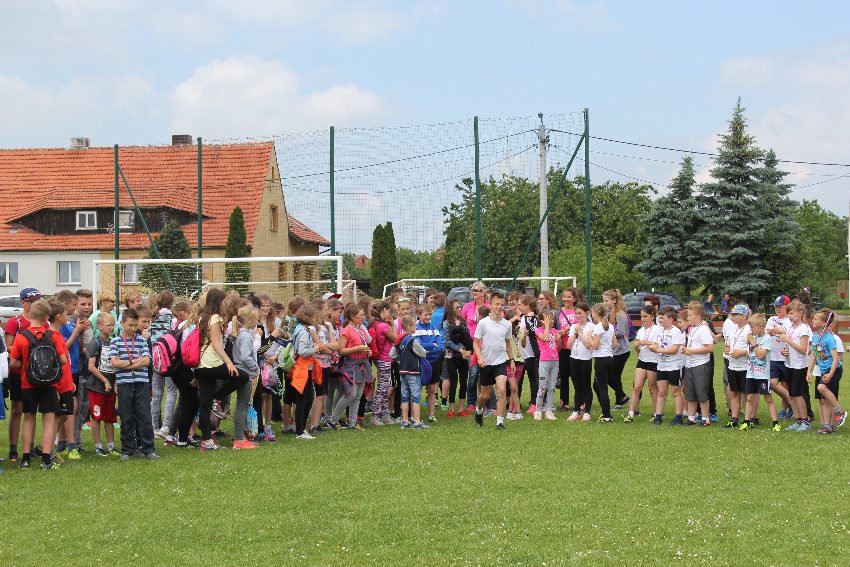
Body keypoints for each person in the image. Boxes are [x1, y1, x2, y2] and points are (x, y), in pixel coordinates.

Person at [9, 299, 65, 470]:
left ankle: (25, 459)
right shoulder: (53, 336)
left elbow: (13, 363)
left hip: (28, 384)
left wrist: (27, 365)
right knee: (48, 420)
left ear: (31, 314)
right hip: (49, 384)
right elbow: (63, 360)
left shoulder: (21, 337)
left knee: (29, 418)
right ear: (47, 317)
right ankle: (46, 459)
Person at [193, 289, 239, 451]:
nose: (226, 303)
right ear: (218, 302)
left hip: (201, 365)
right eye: (224, 301)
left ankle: (206, 441)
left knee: (205, 404)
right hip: (212, 363)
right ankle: (217, 398)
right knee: (243, 377)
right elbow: (216, 343)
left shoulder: (203, 317)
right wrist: (229, 362)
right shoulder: (215, 318)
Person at [109, 308, 158, 461]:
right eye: (130, 325)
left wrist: (125, 364)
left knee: (145, 416)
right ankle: (127, 450)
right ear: (122, 323)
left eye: (135, 325)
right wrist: (135, 361)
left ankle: (148, 449)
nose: (133, 328)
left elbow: (147, 361)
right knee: (126, 417)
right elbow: (114, 363)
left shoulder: (141, 340)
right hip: (124, 384)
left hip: (141, 382)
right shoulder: (115, 341)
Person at [4, 286, 43, 463]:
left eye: (37, 300)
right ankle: (13, 448)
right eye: (31, 301)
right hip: (18, 371)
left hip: (36, 372)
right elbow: (8, 347)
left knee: (31, 411)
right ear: (23, 303)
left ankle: (30, 446)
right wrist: (27, 348)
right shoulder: (16, 322)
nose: (35, 304)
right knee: (17, 410)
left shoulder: (43, 322)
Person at [472, 292, 515, 430]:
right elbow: (475, 343)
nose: (499, 307)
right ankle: (479, 410)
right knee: (485, 395)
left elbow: (508, 343)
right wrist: (480, 357)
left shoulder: (506, 324)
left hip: (500, 362)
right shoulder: (483, 323)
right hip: (486, 363)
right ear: (490, 305)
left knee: (501, 390)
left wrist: (512, 359)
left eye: (502, 304)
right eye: (497, 304)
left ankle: (500, 422)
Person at [328, 303, 372, 430]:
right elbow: (341, 350)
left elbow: (364, 345)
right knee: (350, 394)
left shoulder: (361, 329)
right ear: (352, 316)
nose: (363, 317)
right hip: (351, 366)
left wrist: (367, 352)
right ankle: (333, 420)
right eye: (360, 315)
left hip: (362, 364)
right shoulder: (346, 330)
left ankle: (353, 422)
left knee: (358, 395)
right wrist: (357, 349)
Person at [55, 290, 88, 457]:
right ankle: (70, 444)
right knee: (70, 407)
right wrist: (77, 332)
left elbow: (76, 346)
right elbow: (63, 348)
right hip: (65, 370)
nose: (75, 308)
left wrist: (78, 331)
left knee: (69, 407)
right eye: (74, 304)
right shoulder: (59, 325)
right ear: (64, 305)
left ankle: (63, 443)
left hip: (74, 369)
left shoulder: (68, 322)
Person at [48, 300, 80, 462]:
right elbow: (59, 361)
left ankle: (47, 447)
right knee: (57, 416)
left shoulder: (58, 334)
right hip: (58, 383)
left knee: (64, 414)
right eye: (66, 314)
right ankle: (49, 449)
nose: (69, 317)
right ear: (59, 317)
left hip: (66, 381)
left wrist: (69, 381)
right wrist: (56, 385)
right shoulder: (52, 336)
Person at [739, 313, 780, 431]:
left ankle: (775, 423)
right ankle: (747, 421)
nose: (751, 329)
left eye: (752, 327)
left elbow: (761, 355)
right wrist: (750, 343)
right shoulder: (754, 337)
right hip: (751, 373)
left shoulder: (767, 339)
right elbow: (750, 354)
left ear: (761, 326)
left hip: (762, 374)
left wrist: (753, 343)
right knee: (749, 397)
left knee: (768, 398)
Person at [86, 313, 119, 456]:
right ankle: (98, 446)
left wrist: (114, 382)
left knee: (110, 417)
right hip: (97, 387)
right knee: (96, 416)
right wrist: (104, 380)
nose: (112, 327)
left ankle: (111, 446)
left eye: (113, 325)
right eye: (108, 325)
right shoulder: (95, 342)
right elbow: (91, 366)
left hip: (110, 387)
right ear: (99, 326)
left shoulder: (113, 343)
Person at [289, 304, 323, 440]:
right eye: (314, 317)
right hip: (302, 369)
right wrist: (314, 349)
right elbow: (302, 351)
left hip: (306, 368)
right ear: (308, 317)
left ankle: (301, 428)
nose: (316, 319)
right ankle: (300, 430)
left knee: (308, 398)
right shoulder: (304, 332)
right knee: (303, 400)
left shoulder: (303, 330)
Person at [809, 309, 845, 435]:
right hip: (823, 370)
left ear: (824, 323)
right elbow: (813, 355)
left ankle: (839, 411)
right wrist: (808, 372)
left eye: (816, 319)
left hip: (834, 370)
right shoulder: (814, 337)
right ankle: (826, 426)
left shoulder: (829, 338)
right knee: (823, 399)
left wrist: (830, 374)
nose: (813, 320)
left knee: (821, 387)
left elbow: (836, 359)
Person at [390, 315, 429, 429]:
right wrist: (426, 351)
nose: (415, 327)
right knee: (415, 397)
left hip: (402, 371)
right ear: (408, 327)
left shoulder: (400, 340)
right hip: (413, 371)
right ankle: (417, 421)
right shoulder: (412, 340)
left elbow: (392, 354)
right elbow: (422, 353)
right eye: (414, 325)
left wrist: (401, 359)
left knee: (405, 397)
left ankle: (405, 421)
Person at [648, 306, 685, 426]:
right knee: (662, 391)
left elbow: (674, 349)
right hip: (662, 365)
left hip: (674, 365)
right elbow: (655, 343)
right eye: (659, 317)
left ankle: (678, 417)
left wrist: (658, 350)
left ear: (670, 319)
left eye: (662, 318)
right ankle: (658, 416)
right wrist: (653, 347)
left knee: (676, 391)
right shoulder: (659, 331)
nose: (660, 320)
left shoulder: (675, 331)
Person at [149, 290, 178, 440]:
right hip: (169, 360)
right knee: (172, 392)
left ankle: (153, 427)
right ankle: (166, 426)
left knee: (156, 393)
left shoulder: (152, 318)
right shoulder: (173, 319)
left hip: (155, 359)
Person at [780, 300, 812, 431]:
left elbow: (803, 350)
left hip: (800, 365)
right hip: (790, 364)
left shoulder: (803, 329)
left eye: (792, 313)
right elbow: (791, 346)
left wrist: (788, 341)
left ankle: (805, 421)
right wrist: (785, 351)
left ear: (800, 313)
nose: (789, 316)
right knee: (791, 394)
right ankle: (797, 420)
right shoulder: (791, 327)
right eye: (788, 313)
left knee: (798, 393)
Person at [624, 304, 660, 423]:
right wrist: (637, 347)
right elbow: (639, 350)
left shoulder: (658, 329)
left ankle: (656, 414)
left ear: (652, 317)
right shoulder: (640, 331)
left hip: (653, 361)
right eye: (641, 316)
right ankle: (631, 413)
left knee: (652, 388)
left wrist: (645, 342)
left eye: (645, 316)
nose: (642, 319)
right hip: (642, 360)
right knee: (637, 387)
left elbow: (659, 344)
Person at [231, 305, 260, 449]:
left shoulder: (240, 334)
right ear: (248, 319)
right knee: (242, 406)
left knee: (241, 406)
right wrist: (255, 367)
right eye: (255, 318)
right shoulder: (246, 336)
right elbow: (245, 357)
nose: (257, 321)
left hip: (240, 371)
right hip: (245, 374)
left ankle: (239, 435)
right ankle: (239, 439)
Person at [682, 302, 714, 427]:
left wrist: (692, 351)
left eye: (690, 315)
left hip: (700, 364)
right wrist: (686, 350)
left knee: (701, 393)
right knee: (690, 393)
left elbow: (709, 348)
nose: (688, 318)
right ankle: (691, 418)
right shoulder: (693, 329)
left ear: (698, 316)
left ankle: (706, 419)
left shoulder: (703, 329)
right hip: (690, 364)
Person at [765, 295, 794, 418]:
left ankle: (783, 410)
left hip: (787, 358)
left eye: (780, 306)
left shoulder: (790, 320)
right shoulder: (772, 319)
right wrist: (776, 331)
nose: (777, 309)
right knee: (772, 383)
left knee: (785, 385)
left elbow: (791, 333)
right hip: (773, 357)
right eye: (776, 306)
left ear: (787, 306)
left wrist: (780, 331)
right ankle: (792, 404)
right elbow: (768, 331)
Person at [723, 304, 751, 428]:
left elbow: (756, 349)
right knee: (734, 392)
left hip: (745, 366)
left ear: (744, 316)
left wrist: (742, 352)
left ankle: (748, 419)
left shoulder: (749, 330)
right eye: (732, 314)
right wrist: (728, 349)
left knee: (745, 394)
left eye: (736, 315)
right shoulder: (733, 328)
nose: (732, 317)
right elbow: (730, 344)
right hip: (733, 365)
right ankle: (734, 418)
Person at [462, 282, 488, 411]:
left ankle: (487, 402)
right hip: (472, 345)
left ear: (483, 292)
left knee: (486, 375)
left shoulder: (489, 307)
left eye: (477, 290)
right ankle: (471, 402)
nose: (474, 292)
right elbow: (461, 324)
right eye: (473, 290)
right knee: (473, 375)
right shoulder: (467, 307)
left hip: (486, 345)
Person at [415, 303, 443, 423]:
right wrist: (432, 345)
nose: (428, 317)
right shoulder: (416, 328)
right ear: (418, 315)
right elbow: (418, 345)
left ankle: (432, 415)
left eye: (430, 314)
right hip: (421, 362)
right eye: (425, 315)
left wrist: (429, 349)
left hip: (434, 362)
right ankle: (414, 415)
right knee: (417, 389)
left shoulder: (434, 329)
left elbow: (440, 346)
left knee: (431, 389)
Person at [443, 299, 472, 418]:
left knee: (464, 381)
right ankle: (451, 409)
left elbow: (467, 337)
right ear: (450, 309)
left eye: (460, 307)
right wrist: (460, 349)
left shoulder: (463, 321)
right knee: (453, 381)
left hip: (463, 355)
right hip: (451, 354)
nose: (459, 309)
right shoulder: (446, 323)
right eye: (456, 307)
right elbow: (447, 341)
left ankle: (461, 409)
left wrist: (467, 350)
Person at [602, 289, 631, 409]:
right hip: (612, 350)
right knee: (613, 377)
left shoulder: (620, 314)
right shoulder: (608, 313)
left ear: (614, 300)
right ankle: (621, 398)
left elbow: (620, 332)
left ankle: (621, 398)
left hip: (621, 350)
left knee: (613, 376)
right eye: (604, 301)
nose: (604, 303)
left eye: (606, 301)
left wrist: (607, 334)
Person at [369, 301, 395, 426]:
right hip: (384, 359)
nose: (390, 314)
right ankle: (375, 415)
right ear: (384, 310)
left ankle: (385, 415)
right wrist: (393, 325)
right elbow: (396, 339)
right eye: (389, 311)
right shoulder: (384, 326)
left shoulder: (375, 324)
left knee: (384, 387)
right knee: (382, 388)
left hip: (379, 358)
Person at [567, 302, 594, 421]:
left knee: (586, 385)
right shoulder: (574, 326)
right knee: (577, 386)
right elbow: (569, 345)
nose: (578, 316)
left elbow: (589, 344)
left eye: (580, 313)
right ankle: (576, 410)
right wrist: (575, 332)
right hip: (574, 358)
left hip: (585, 359)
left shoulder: (591, 326)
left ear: (586, 313)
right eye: (576, 313)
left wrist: (580, 332)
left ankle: (587, 411)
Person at [590, 303, 616, 423]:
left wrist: (590, 337)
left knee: (602, 387)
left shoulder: (598, 327)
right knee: (596, 386)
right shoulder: (610, 326)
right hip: (609, 358)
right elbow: (614, 344)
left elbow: (595, 345)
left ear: (596, 313)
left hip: (601, 359)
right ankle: (605, 412)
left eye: (592, 313)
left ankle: (607, 416)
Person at [557, 288, 581, 411]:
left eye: (569, 297)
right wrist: (559, 332)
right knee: (564, 376)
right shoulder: (558, 312)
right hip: (563, 349)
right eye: (564, 296)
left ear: (574, 299)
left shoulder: (578, 311)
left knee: (577, 376)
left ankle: (580, 402)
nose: (566, 299)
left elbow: (584, 327)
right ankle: (564, 403)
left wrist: (575, 332)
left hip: (576, 348)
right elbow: (553, 329)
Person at [533, 309, 559, 421]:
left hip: (555, 361)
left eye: (551, 318)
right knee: (542, 387)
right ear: (542, 321)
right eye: (547, 318)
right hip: (544, 361)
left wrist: (559, 340)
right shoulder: (538, 330)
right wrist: (547, 326)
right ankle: (538, 410)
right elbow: (545, 338)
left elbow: (559, 347)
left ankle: (549, 410)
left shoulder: (555, 331)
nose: (550, 320)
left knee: (552, 387)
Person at [517, 294, 539, 414]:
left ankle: (534, 403)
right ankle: (516, 403)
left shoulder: (532, 318)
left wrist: (529, 317)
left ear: (528, 306)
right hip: (521, 355)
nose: (518, 307)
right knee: (519, 379)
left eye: (520, 304)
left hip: (530, 354)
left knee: (533, 379)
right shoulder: (522, 317)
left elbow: (533, 332)